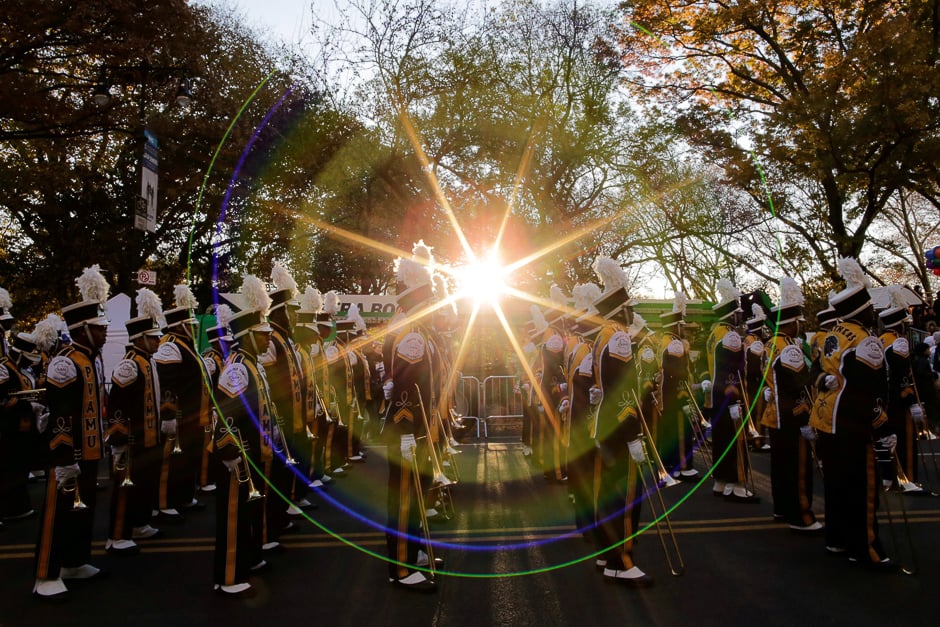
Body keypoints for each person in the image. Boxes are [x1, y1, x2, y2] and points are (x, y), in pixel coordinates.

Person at [809, 257, 895, 568]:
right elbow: (866, 391)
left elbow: (816, 372)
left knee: (836, 484)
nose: (873, 311)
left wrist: (824, 381)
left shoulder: (830, 335)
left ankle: (837, 538)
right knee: (862, 488)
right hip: (851, 424)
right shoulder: (865, 341)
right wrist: (883, 427)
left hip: (825, 420)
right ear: (862, 310)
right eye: (870, 306)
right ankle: (866, 548)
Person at [33, 264, 111, 601]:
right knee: (58, 514)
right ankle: (45, 574)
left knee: (83, 512)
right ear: (83, 330)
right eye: (99, 328)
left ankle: (74, 562)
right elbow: (60, 416)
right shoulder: (65, 361)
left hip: (91, 452)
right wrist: (64, 456)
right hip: (69, 454)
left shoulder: (91, 358)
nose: (106, 333)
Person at [587, 255, 652, 586]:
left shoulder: (603, 335)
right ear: (621, 310)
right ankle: (621, 561)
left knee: (607, 493)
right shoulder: (620, 337)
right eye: (629, 307)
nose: (632, 312)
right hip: (620, 425)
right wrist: (633, 433)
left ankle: (605, 552)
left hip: (606, 425)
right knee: (624, 496)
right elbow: (622, 390)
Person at [211, 276, 277, 598]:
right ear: (248, 335)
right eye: (263, 334)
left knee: (249, 515)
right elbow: (223, 414)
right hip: (238, 458)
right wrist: (229, 453)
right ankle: (228, 576)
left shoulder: (251, 365)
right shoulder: (237, 368)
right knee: (233, 517)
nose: (268, 339)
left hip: (254, 454)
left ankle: (248, 559)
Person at [381, 247, 438, 592]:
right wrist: (405, 431)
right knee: (403, 495)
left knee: (413, 495)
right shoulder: (414, 335)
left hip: (415, 431)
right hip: (406, 431)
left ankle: (412, 551)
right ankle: (400, 567)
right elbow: (403, 388)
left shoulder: (417, 330)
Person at [104, 288, 166, 555]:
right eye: (152, 338)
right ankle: (116, 536)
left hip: (149, 437)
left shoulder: (147, 361)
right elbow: (117, 405)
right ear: (140, 339)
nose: (158, 342)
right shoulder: (129, 365)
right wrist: (118, 441)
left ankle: (139, 523)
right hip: (132, 440)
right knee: (125, 488)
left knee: (144, 485)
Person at [759, 277, 821, 532]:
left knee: (781, 467)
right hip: (792, 414)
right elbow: (799, 383)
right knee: (798, 469)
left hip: (776, 415)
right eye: (798, 323)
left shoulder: (770, 344)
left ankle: (782, 509)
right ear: (792, 324)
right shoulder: (787, 347)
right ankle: (801, 515)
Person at [153, 284, 211, 523]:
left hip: (193, 415)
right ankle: (165, 502)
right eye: (190, 325)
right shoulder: (169, 344)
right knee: (171, 461)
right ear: (179, 325)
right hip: (179, 417)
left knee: (188, 459)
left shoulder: (186, 345)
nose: (194, 330)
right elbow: (168, 385)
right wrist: (168, 416)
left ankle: (185, 496)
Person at [704, 279, 757, 502]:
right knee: (735, 440)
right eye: (738, 314)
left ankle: (721, 481)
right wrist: (736, 397)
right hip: (730, 396)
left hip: (716, 397)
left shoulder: (714, 332)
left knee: (721, 438)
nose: (741, 317)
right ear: (732, 316)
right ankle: (736, 483)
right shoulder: (731, 336)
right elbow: (733, 369)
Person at [878, 286, 924, 493]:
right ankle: (906, 477)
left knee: (887, 440)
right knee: (904, 438)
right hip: (897, 399)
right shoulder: (898, 342)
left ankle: (889, 476)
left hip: (883, 398)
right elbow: (903, 375)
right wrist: (912, 401)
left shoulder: (879, 341)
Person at [0, 331, 43, 522]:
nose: (30, 363)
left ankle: (20, 505)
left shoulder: (22, 370)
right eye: (27, 359)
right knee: (10, 468)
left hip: (25, 427)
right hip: (9, 428)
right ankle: (10, 508)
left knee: (21, 467)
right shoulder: (3, 370)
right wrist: (27, 404)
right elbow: (3, 400)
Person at [657, 292, 700, 482]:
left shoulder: (665, 341)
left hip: (666, 395)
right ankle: (683, 466)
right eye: (681, 325)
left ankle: (671, 465)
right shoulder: (674, 344)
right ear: (675, 326)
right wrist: (686, 392)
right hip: (676, 394)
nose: (684, 329)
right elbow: (678, 373)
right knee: (681, 431)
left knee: (669, 431)